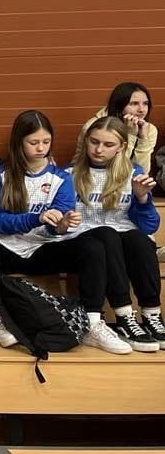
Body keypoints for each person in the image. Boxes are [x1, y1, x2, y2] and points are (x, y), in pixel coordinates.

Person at [0, 111, 110, 350]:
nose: (41, 148)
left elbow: (58, 225)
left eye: (46, 142)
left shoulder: (61, 178)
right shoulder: (1, 174)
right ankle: (0, 319)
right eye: (33, 142)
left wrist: (62, 225)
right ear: (19, 142)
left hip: (44, 249)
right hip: (8, 248)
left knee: (93, 247)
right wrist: (36, 218)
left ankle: (93, 323)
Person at [69, 117, 163, 351]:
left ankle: (152, 315)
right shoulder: (69, 174)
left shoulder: (133, 172)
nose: (99, 150)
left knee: (140, 240)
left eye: (108, 144)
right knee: (108, 235)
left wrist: (142, 198)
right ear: (86, 141)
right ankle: (123, 316)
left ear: (121, 146)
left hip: (122, 237)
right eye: (94, 142)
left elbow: (150, 226)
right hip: (86, 238)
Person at [80, 82, 156, 175]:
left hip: (130, 179)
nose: (141, 109)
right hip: (95, 175)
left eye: (145, 103)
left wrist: (143, 139)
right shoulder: (95, 127)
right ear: (119, 106)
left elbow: (142, 172)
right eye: (134, 103)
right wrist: (130, 135)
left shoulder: (149, 129)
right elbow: (111, 170)